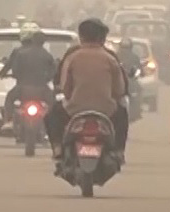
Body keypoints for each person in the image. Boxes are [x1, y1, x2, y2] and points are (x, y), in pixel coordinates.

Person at [50, 18, 130, 163]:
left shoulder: (72, 57)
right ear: (102, 38)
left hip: (74, 109)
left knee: (51, 115)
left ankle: (57, 148)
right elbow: (119, 89)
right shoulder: (110, 58)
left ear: (81, 36)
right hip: (107, 110)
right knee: (123, 114)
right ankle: (119, 151)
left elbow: (65, 88)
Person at [2, 23, 61, 118]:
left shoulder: (20, 53)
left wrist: (12, 75)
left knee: (9, 99)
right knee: (54, 106)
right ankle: (53, 127)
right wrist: (46, 79)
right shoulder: (47, 55)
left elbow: (15, 70)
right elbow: (53, 71)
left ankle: (8, 121)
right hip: (42, 90)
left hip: (22, 89)